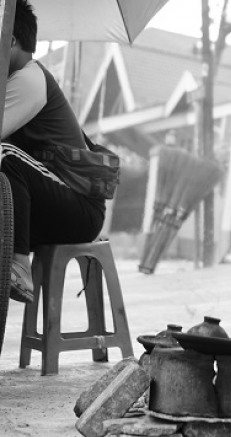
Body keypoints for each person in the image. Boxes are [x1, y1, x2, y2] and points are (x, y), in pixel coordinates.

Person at [2, 0, 106, 302]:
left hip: (78, 208)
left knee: (4, 156)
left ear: (9, 40)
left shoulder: (29, 80)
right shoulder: (13, 81)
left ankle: (20, 267)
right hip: (48, 205)